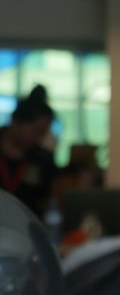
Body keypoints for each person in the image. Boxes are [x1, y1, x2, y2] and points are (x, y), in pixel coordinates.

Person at [1, 85, 59, 220]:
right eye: (35, 131)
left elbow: (52, 203)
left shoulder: (42, 160)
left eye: (43, 133)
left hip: (28, 233)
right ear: (16, 121)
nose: (38, 138)